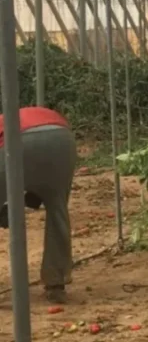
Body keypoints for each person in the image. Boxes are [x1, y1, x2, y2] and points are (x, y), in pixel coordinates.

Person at [0, 107, 76, 304]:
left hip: (19, 139)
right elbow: (34, 189)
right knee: (57, 209)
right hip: (61, 137)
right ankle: (56, 284)